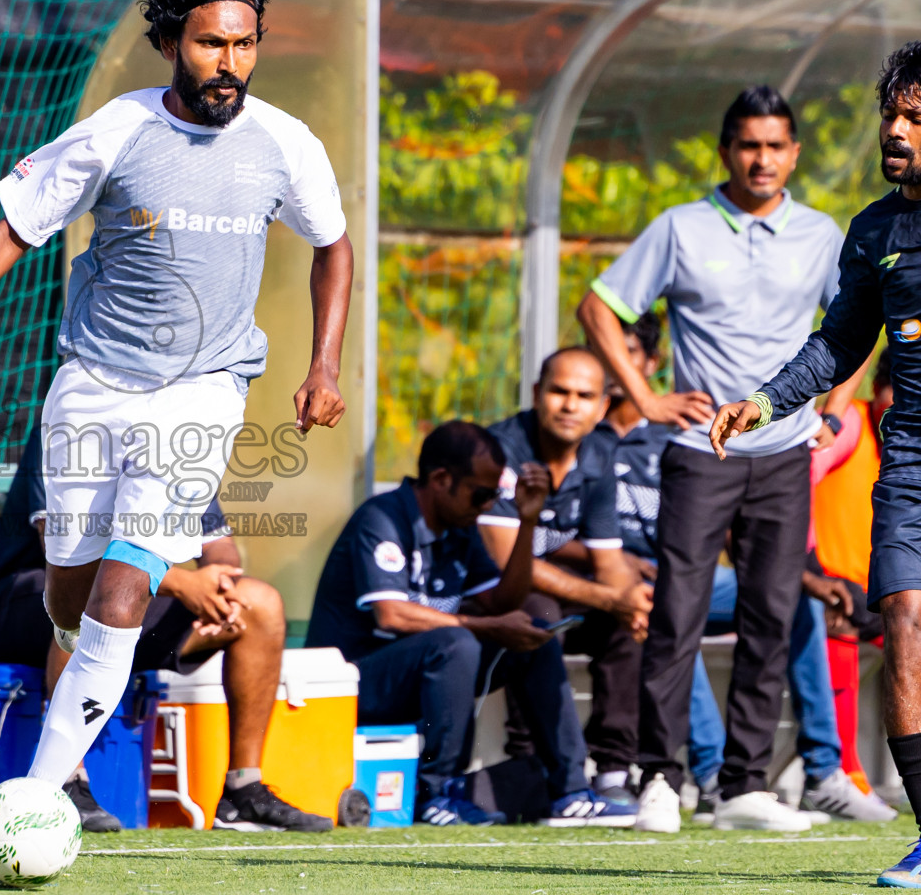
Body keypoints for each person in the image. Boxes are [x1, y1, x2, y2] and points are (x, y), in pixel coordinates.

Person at [0, 0, 353, 817]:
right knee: (76, 590)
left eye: (245, 44)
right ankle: (66, 703)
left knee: (126, 584)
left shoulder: (286, 143)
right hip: (93, 385)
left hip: (204, 390)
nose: (230, 63)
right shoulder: (114, 131)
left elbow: (332, 244)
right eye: (211, 44)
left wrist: (323, 364)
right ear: (170, 44)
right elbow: (15, 230)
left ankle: (41, 793)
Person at [579, 85, 849, 833]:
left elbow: (856, 326)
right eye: (748, 145)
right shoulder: (680, 227)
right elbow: (599, 307)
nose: (762, 159)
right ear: (726, 151)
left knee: (772, 614)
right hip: (700, 451)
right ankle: (660, 779)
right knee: (677, 613)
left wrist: (834, 410)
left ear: (794, 153)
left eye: (775, 146)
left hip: (785, 451)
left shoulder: (822, 234)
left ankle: (742, 787)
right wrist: (646, 396)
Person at [712, 45, 921, 884]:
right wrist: (764, 403)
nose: (896, 131)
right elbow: (840, 343)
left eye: (916, 119)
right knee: (902, 621)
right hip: (910, 460)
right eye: (892, 114)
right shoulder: (873, 230)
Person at [0, 424, 329, 832]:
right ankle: (65, 782)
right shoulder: (72, 420)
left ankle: (242, 792)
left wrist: (217, 590)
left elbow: (219, 545)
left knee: (259, 605)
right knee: (91, 596)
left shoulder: (178, 431)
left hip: (129, 596)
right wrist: (185, 584)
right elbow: (64, 550)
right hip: (23, 598)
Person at [601, 315, 888, 822]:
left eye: (630, 352)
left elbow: (739, 523)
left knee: (789, 601)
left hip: (692, 575)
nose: (612, 368)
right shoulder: (591, 435)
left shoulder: (682, 424)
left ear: (651, 361)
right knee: (672, 609)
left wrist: (809, 578)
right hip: (620, 580)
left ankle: (824, 772)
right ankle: (700, 773)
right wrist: (619, 573)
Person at [307, 420, 630, 827]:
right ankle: (436, 793)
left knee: (535, 637)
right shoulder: (383, 518)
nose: (489, 505)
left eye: (495, 495)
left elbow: (503, 602)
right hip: (354, 684)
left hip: (422, 674)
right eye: (481, 494)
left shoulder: (460, 528)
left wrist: (528, 522)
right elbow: (392, 613)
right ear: (441, 480)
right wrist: (483, 627)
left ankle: (570, 791)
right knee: (456, 642)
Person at [477, 347, 652, 817]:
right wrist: (611, 598)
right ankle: (534, 765)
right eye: (559, 392)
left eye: (584, 396)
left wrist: (630, 602)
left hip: (554, 586)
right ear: (537, 393)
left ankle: (613, 771)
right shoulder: (500, 449)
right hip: (487, 593)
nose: (570, 405)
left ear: (602, 406)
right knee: (537, 612)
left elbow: (607, 558)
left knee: (626, 623)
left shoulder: (599, 451)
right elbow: (507, 563)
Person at [811, 348, 891, 792]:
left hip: (882, 599)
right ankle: (843, 775)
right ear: (877, 387)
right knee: (837, 634)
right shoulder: (852, 424)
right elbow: (799, 478)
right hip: (826, 589)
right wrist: (811, 574)